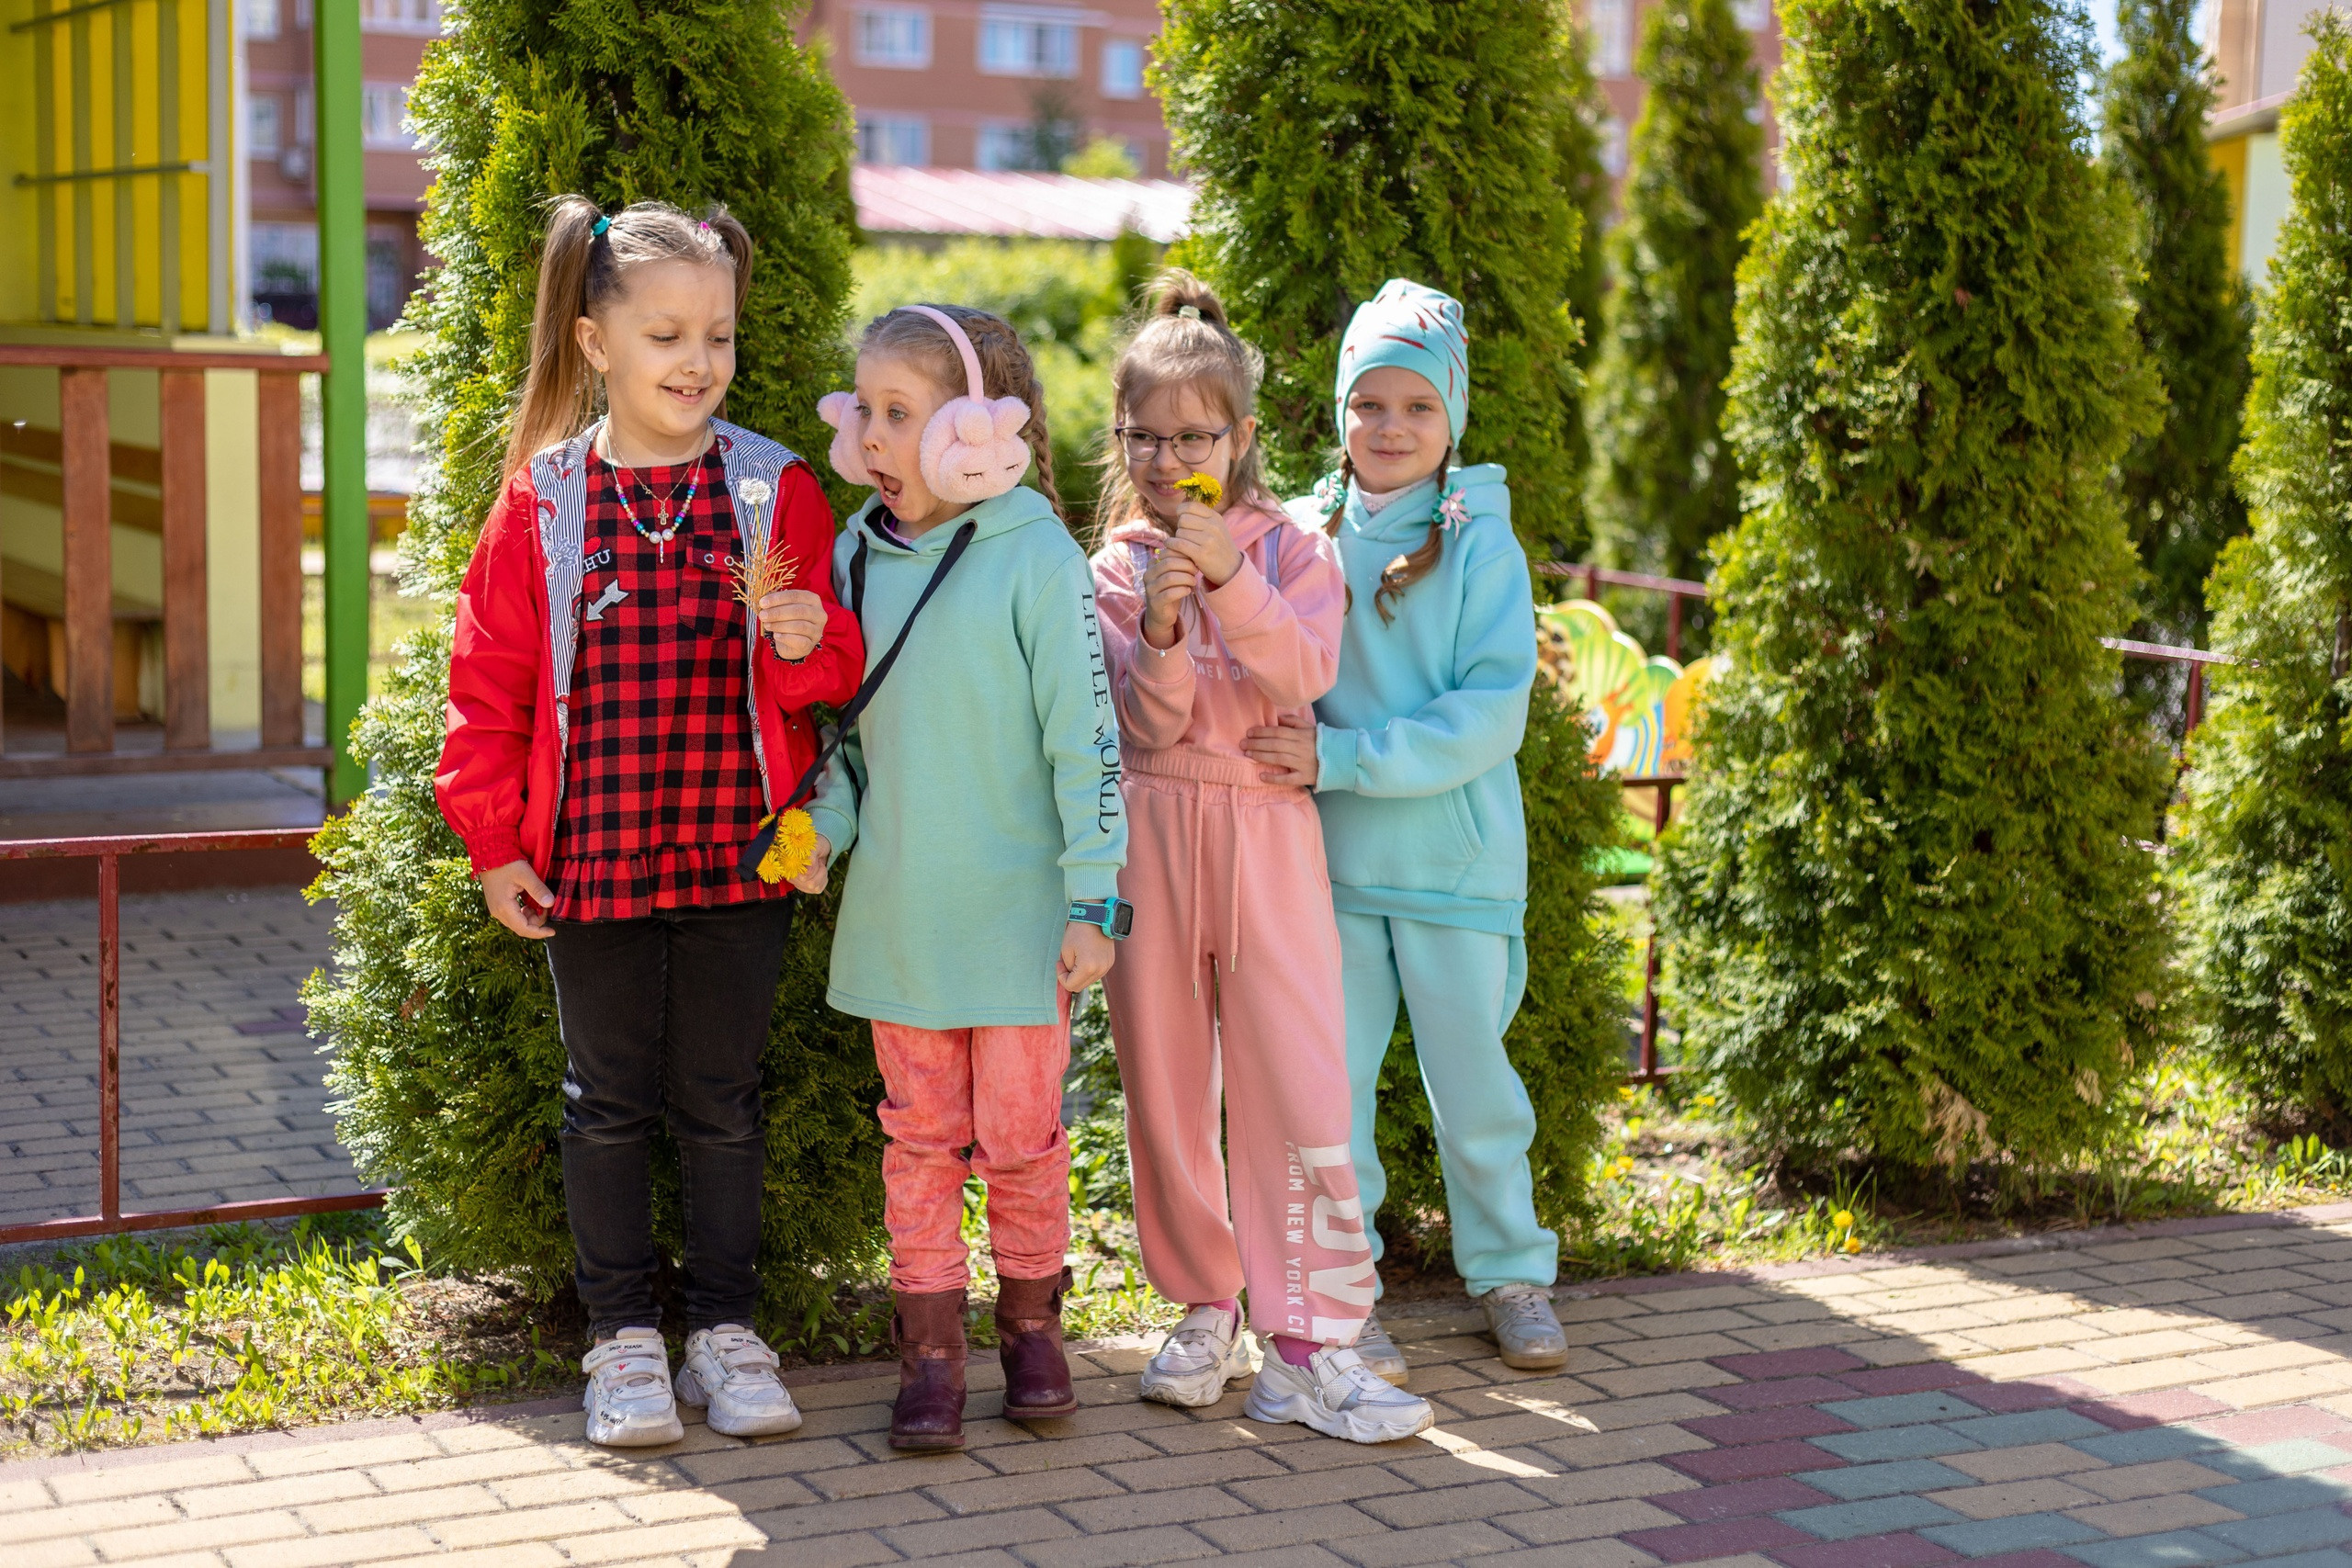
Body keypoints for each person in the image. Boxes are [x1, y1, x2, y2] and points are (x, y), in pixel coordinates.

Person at [437, 197, 864, 1447]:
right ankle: (623, 1338)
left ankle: (726, 1330)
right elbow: (492, 682)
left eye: (719, 336)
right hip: (592, 856)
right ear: (595, 341)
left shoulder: (771, 486)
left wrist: (805, 642)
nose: (697, 361)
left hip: (740, 850)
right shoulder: (546, 502)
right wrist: (496, 841)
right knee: (606, 1101)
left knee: (723, 1098)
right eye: (668, 333)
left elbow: (829, 672)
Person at [1090, 273, 1436, 1444]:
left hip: (1267, 832)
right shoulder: (1116, 565)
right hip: (1157, 832)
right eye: (1146, 436)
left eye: (1194, 434)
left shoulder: (1292, 543)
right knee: (1166, 1079)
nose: (1168, 456)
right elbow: (1142, 726)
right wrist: (1165, 626)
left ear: (1240, 436)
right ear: (1122, 438)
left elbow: (1302, 676)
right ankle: (1203, 1304)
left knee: (1295, 1076)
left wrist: (1227, 580)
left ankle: (1309, 1343)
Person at [794, 303, 1128, 1452]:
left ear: (979, 431)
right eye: (866, 413)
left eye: (901, 413)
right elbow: (843, 735)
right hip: (903, 917)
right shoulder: (849, 553)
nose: (873, 439)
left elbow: (1087, 742)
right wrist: (820, 830)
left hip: (1026, 922)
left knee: (1026, 1139)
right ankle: (929, 1353)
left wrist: (1097, 900)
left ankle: (1032, 1331)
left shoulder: (1038, 557)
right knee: (918, 1139)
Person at [1245, 278, 1571, 1380]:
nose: (1389, 428)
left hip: (1454, 869)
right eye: (1367, 403)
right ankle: (1342, 1301)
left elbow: (1490, 712)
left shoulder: (1482, 547)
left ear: (1453, 417)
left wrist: (1344, 760)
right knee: (1328, 1096)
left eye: (1416, 408)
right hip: (1325, 875)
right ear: (1337, 410)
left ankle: (1511, 1274)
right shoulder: (1296, 531)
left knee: (1476, 1090)